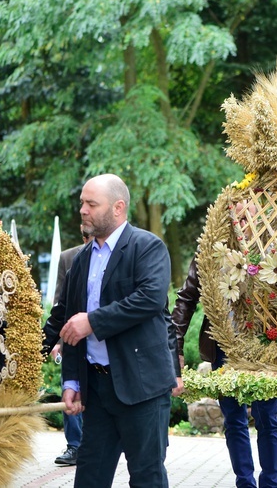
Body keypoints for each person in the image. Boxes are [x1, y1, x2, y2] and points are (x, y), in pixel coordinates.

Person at [57, 174, 180, 487]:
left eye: (91, 204)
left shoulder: (147, 246)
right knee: (89, 478)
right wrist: (71, 379)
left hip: (142, 387)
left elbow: (149, 300)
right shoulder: (80, 259)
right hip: (96, 390)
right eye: (82, 202)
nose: (82, 210)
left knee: (146, 478)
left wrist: (93, 321)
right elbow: (70, 322)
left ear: (118, 208)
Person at [172, 257, 277, 488]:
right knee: (234, 419)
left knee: (268, 417)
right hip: (224, 344)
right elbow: (187, 297)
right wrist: (176, 346)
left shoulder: (266, 241)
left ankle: (270, 484)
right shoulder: (213, 247)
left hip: (264, 343)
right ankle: (244, 483)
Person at [43, 226, 90, 466]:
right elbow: (61, 305)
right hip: (73, 338)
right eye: (84, 234)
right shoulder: (69, 258)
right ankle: (74, 445)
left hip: (103, 338)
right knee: (69, 386)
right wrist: (58, 342)